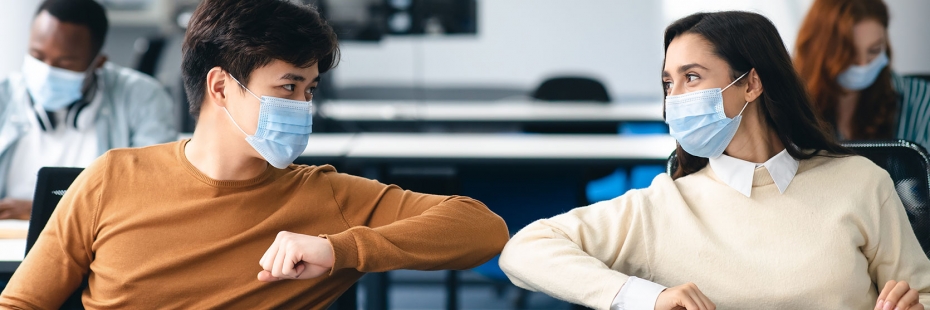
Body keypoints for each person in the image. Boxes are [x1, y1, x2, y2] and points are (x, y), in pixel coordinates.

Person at [0, 0, 508, 308]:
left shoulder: (325, 196)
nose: (303, 106)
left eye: (309, 90)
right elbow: (22, 301)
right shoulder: (112, 177)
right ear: (221, 87)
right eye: (288, 87)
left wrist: (341, 250)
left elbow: (482, 228)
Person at [499, 11, 930, 310]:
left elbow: (922, 293)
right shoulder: (662, 206)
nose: (674, 99)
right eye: (669, 83)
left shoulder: (860, 183)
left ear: (752, 84)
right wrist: (646, 297)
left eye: (692, 77)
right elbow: (524, 250)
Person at [0, 0, 177, 220]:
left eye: (65, 63)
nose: (46, 71)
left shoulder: (142, 97)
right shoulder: (4, 96)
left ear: (98, 62)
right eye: (37, 56)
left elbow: (153, 189)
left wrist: (43, 208)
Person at [794, 0, 930, 150]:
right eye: (850, 54)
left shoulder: (920, 101)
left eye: (874, 50)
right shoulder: (794, 104)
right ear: (820, 51)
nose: (863, 65)